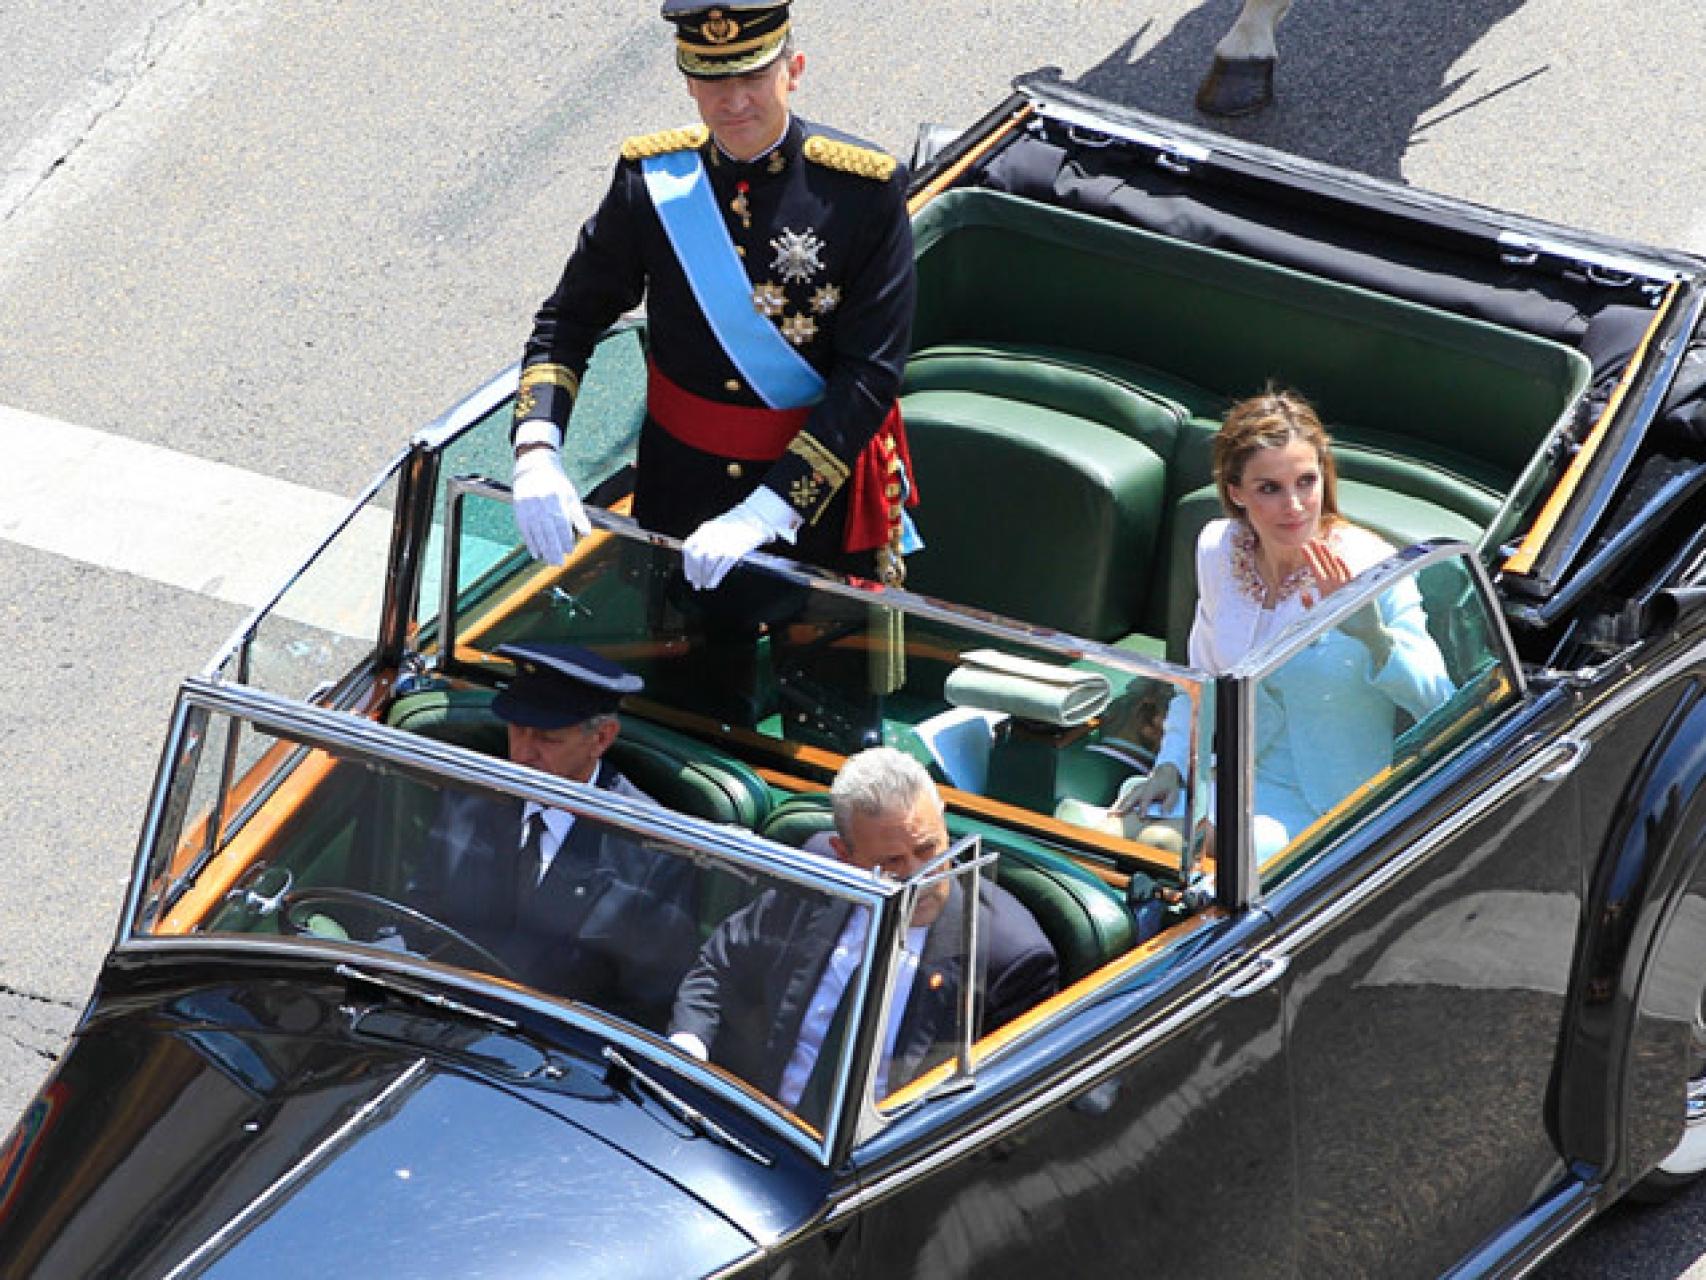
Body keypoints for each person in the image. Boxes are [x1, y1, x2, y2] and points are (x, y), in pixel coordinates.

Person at [509, 0, 919, 592]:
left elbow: (870, 376)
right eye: (713, 79)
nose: (734, 102)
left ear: (793, 70)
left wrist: (768, 511)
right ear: (689, 85)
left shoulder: (862, 191)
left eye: (753, 75)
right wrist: (537, 447)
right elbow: (568, 320)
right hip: (679, 494)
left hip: (810, 504)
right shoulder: (650, 183)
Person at [1119, 389, 1453, 857]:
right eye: (1269, 488)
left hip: (1330, 811)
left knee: (1169, 850)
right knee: (1112, 834)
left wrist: (1375, 638)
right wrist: (1172, 766)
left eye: (1306, 482)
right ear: (1236, 493)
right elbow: (1201, 683)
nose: (1294, 505)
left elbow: (1442, 702)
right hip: (1227, 781)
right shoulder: (1219, 548)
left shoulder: (1376, 568)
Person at [668, 747, 1059, 1119]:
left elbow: (1001, 1108)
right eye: (892, 863)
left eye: (928, 851)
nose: (918, 878)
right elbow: (720, 966)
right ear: (845, 855)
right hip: (763, 1122)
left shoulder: (1007, 957)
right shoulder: (820, 873)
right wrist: (687, 1049)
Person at [407, 642, 697, 1028]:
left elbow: (645, 1008)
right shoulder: (469, 796)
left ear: (602, 738)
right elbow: (419, 918)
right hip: (439, 1016)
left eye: (547, 739)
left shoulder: (652, 853)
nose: (523, 754)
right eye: (516, 730)